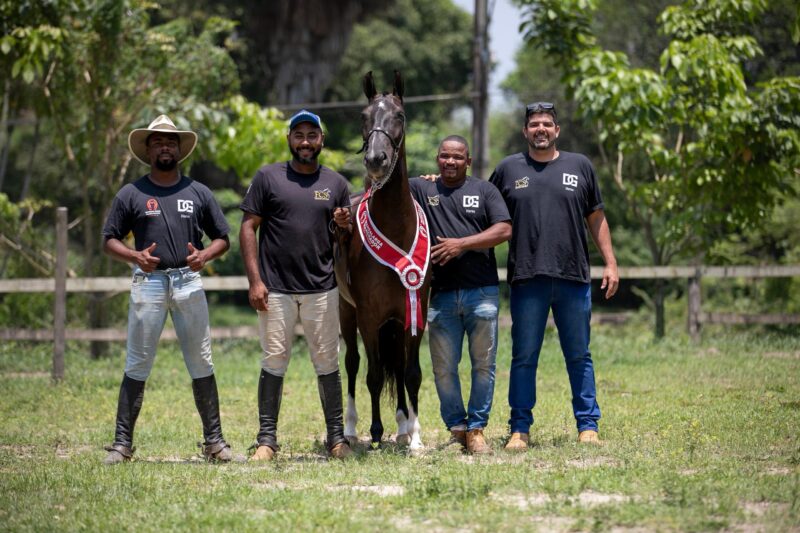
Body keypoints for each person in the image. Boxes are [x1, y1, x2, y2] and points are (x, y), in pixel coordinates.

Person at [101, 115, 232, 464]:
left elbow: (223, 238)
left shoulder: (198, 192)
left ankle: (215, 444)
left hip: (188, 283)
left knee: (201, 361)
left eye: (171, 142)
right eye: (158, 141)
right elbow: (108, 240)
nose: (165, 146)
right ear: (147, 149)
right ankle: (121, 444)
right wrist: (133, 255)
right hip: (149, 284)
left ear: (180, 150)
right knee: (138, 362)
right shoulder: (132, 193)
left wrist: (204, 255)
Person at [489, 102, 619, 450]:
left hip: (573, 277)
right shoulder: (507, 169)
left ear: (557, 130)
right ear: (525, 131)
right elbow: (482, 205)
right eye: (534, 124)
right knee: (523, 356)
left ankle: (588, 424)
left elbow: (596, 217)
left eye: (547, 123)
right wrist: (437, 183)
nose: (541, 129)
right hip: (527, 278)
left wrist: (610, 262)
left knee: (579, 354)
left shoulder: (580, 166)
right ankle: (519, 428)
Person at [240, 109, 353, 460]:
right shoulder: (268, 178)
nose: (306, 141)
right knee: (274, 359)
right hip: (276, 289)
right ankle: (266, 441)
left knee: (327, 361)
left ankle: (336, 440)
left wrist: (342, 223)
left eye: (312, 135)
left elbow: (345, 237)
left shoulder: (336, 184)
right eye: (299, 135)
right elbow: (247, 227)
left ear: (322, 140)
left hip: (322, 288)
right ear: (289, 139)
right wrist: (256, 281)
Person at [409, 136, 511, 454]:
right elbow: (386, 183)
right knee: (443, 368)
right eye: (444, 156)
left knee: (483, 365)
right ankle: (457, 430)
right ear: (437, 159)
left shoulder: (485, 190)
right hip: (440, 295)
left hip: (482, 293)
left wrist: (460, 244)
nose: (450, 162)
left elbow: (504, 230)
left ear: (468, 161)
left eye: (457, 157)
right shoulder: (422, 189)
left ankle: (477, 429)